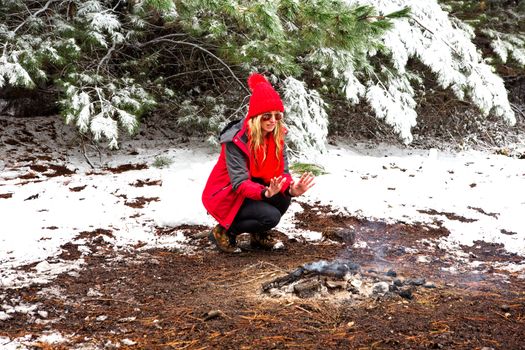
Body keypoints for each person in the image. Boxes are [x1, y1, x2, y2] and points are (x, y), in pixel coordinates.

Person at [202, 73, 315, 253]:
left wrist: (291, 189)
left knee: (284, 198)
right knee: (271, 216)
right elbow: (239, 183)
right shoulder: (236, 141)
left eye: (277, 116)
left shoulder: (277, 138)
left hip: (255, 189)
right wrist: (265, 193)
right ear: (255, 117)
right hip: (227, 196)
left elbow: (282, 174)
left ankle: (259, 235)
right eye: (266, 116)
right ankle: (223, 231)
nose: (272, 120)